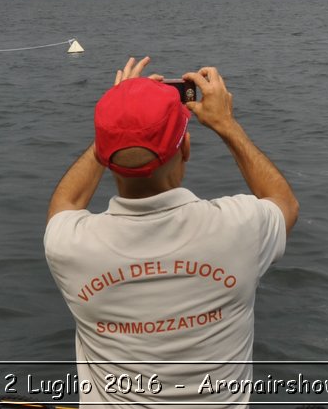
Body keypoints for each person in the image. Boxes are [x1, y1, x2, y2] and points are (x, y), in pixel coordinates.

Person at [44, 57, 298, 407]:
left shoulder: (70, 245)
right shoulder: (239, 228)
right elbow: (283, 202)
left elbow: (65, 203)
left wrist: (119, 121)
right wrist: (226, 124)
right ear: (186, 148)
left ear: (105, 154)